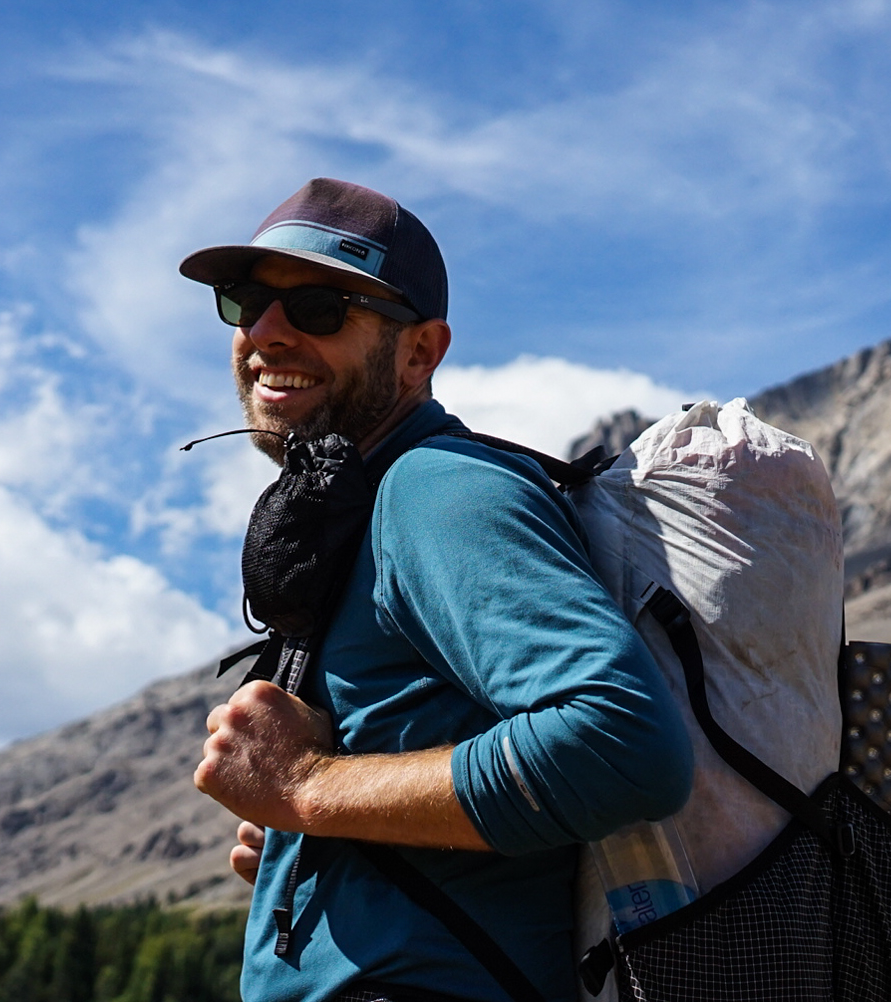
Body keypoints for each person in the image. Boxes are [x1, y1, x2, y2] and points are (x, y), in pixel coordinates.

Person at [181, 178, 694, 1002]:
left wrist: (310, 787)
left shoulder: (437, 491)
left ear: (420, 351)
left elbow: (624, 745)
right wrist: (319, 841)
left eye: (318, 306)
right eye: (246, 301)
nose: (266, 331)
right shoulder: (367, 498)